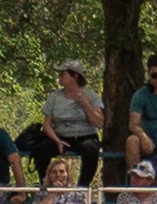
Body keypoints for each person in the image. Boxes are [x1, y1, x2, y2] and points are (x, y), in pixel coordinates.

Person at [33, 60, 105, 188]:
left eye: (63, 73)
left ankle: (82, 188)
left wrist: (85, 103)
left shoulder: (90, 94)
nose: (59, 76)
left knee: (91, 150)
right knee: (41, 149)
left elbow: (98, 122)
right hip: (61, 136)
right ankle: (47, 185)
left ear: (75, 76)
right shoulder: (54, 97)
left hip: (85, 136)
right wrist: (56, 140)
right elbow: (47, 125)